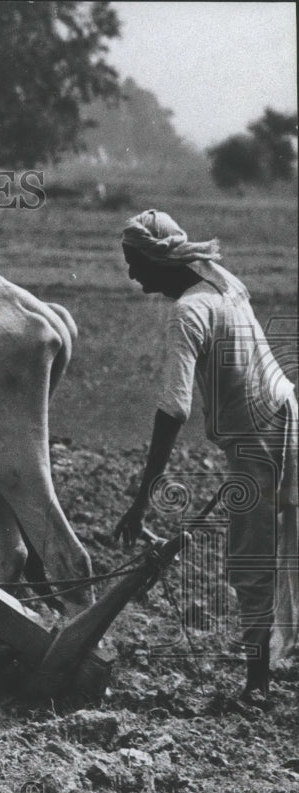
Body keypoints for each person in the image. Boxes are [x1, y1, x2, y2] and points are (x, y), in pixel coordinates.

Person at [114, 209, 298, 706]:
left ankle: (258, 687)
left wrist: (142, 498)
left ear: (158, 259)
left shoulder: (187, 313)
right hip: (285, 414)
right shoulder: (221, 279)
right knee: (281, 550)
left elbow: (173, 408)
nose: (130, 274)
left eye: (134, 262)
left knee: (251, 562)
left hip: (259, 440)